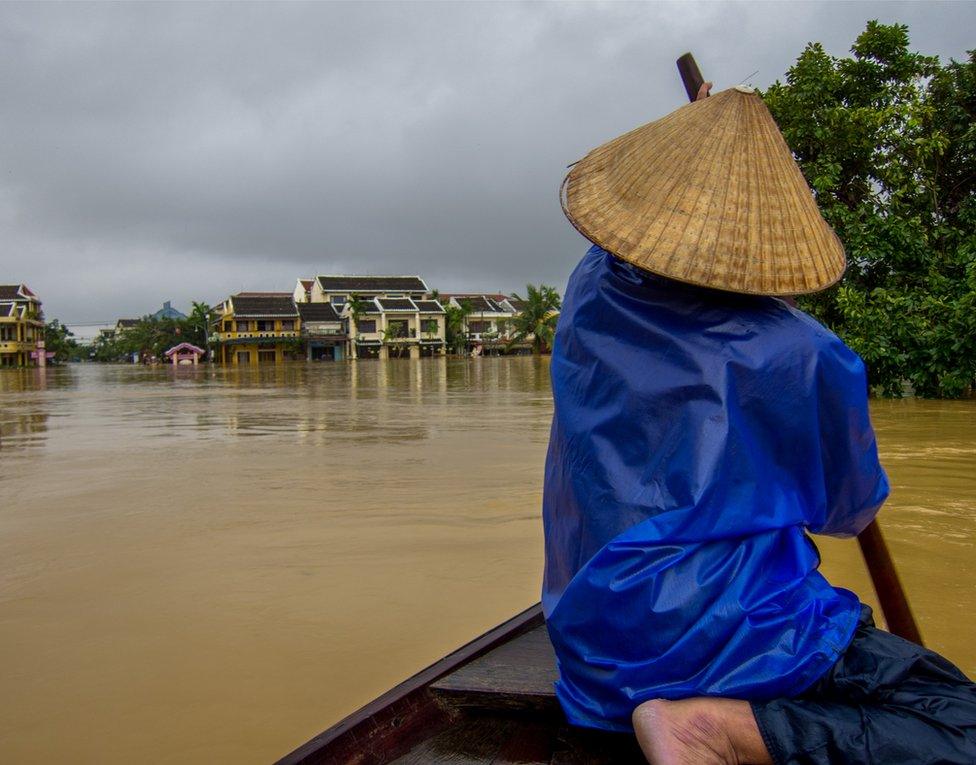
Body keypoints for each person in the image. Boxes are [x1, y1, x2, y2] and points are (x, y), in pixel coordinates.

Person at [543, 86, 976, 764]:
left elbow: (623, 245)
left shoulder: (589, 289)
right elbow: (847, 511)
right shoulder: (803, 353)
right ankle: (712, 728)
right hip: (734, 641)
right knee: (961, 722)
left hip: (597, 646)